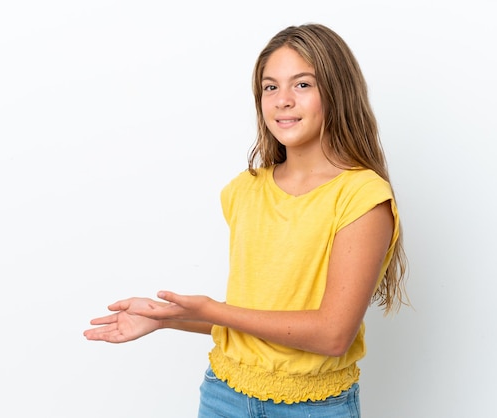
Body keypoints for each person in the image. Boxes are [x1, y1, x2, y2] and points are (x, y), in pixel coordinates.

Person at [83, 23, 408, 418]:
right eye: (270, 87)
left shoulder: (362, 196)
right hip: (224, 397)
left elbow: (332, 334)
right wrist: (167, 318)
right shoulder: (244, 191)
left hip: (313, 408)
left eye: (302, 85)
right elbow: (256, 322)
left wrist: (209, 308)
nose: (283, 100)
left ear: (337, 92)